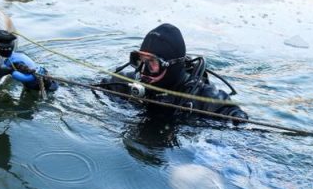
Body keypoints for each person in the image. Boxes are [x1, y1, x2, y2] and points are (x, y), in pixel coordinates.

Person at [97, 23, 247, 122]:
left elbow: (236, 119)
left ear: (172, 66)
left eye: (152, 63)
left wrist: (237, 118)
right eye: (140, 60)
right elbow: (95, 89)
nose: (143, 70)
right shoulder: (127, 83)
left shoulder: (202, 97)